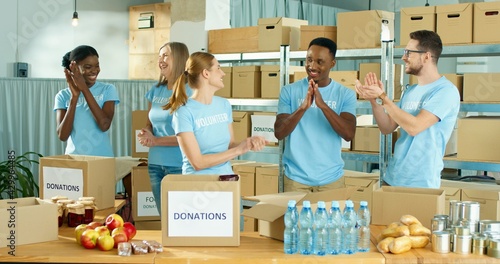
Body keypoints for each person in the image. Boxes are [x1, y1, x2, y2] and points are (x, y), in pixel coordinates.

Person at [355, 30, 460, 188]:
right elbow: (387, 127)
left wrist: (383, 97)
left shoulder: (446, 91)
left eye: (408, 53)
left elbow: (414, 127)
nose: (404, 57)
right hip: (393, 177)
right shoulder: (410, 91)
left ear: (426, 56)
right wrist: (374, 101)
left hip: (421, 183)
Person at [274, 37, 357, 192]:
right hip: (295, 180)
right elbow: (279, 133)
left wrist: (323, 106)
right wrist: (303, 108)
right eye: (309, 60)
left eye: (319, 62)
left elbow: (348, 133)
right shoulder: (289, 91)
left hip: (332, 181)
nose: (312, 66)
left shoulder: (346, 94)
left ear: (332, 64)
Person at [165, 51, 267, 175]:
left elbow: (230, 145)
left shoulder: (224, 105)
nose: (223, 73)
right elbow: (198, 163)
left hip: (225, 179)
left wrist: (248, 143)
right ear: (206, 73)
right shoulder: (183, 112)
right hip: (196, 186)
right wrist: (238, 151)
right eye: (218, 68)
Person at [137, 42, 191, 215]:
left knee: (180, 218)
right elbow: (149, 123)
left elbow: (190, 136)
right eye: (159, 56)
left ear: (180, 58)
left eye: (166, 55)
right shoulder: (156, 90)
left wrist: (156, 140)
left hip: (179, 165)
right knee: (165, 218)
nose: (161, 60)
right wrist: (147, 133)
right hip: (155, 165)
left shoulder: (190, 91)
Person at [55, 45, 120, 157]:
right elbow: (63, 136)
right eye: (88, 67)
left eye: (97, 66)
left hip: (102, 158)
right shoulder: (62, 95)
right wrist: (74, 98)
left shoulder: (108, 89)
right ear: (74, 68)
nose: (94, 71)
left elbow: (104, 125)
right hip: (73, 159)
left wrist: (84, 89)